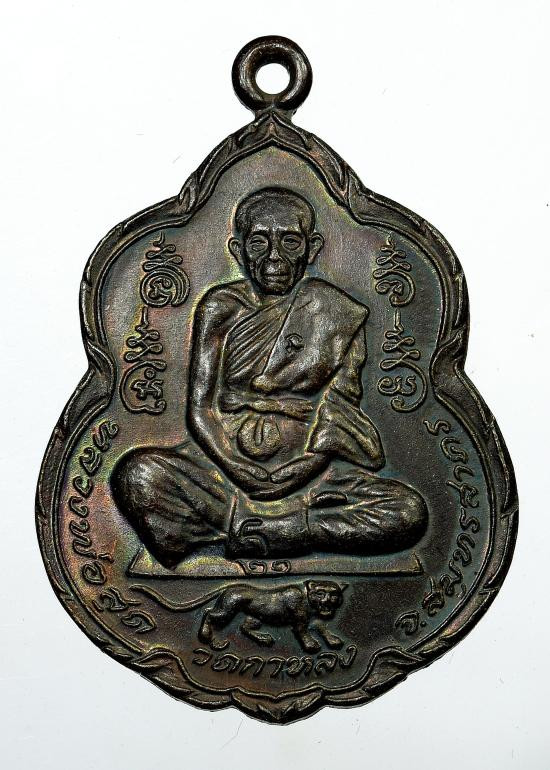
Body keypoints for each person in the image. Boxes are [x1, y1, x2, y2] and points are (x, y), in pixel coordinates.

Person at [112, 187, 427, 568]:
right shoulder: (220, 307)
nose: (274, 257)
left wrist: (301, 469)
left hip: (314, 478)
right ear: (238, 250)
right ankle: (277, 532)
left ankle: (263, 532)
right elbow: (200, 409)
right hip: (221, 473)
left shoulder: (337, 313)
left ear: (311, 249)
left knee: (408, 511)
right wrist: (235, 466)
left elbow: (338, 414)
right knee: (137, 476)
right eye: (259, 242)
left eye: (290, 241)